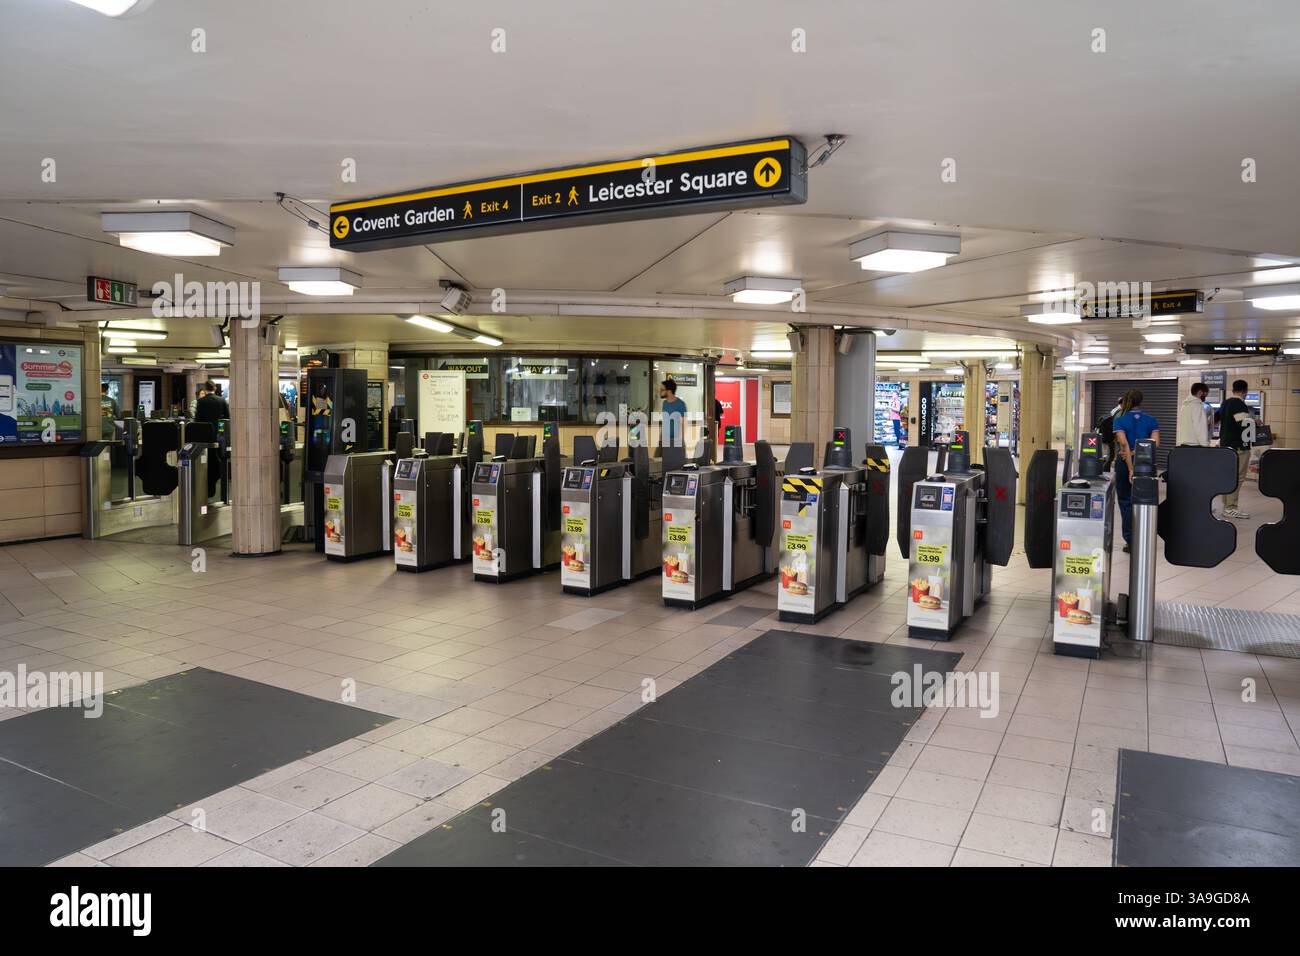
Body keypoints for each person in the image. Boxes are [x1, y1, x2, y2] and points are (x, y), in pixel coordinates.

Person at [1112, 388, 1161, 552]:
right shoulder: (1151, 420)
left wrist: (1131, 468)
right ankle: (1144, 537)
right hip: (1146, 464)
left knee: (1126, 500)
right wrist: (1138, 453)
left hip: (1125, 463)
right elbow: (1155, 444)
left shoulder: (1120, 420)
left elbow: (1123, 444)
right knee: (1144, 501)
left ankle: (1130, 540)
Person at [1217, 379, 1254, 519]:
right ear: (1245, 391)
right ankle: (1231, 507)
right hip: (1238, 447)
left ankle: (1226, 505)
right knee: (1238, 477)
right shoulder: (1239, 404)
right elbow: (1243, 426)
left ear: (1233, 390)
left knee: (1229, 476)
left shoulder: (1225, 403)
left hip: (1226, 446)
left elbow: (1218, 419)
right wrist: (1253, 423)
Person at [1177, 382, 1211, 446]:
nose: (1206, 397)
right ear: (1200, 392)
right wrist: (1205, 444)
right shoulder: (1197, 406)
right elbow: (1200, 427)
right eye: (1206, 394)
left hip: (1183, 444)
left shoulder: (1185, 405)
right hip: (1195, 445)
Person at [659, 379, 687, 450]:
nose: (660, 391)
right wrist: (661, 437)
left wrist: (681, 441)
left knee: (675, 460)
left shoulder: (681, 404)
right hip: (664, 439)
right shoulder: (664, 403)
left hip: (676, 440)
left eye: (662, 390)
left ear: (669, 391)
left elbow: (684, 423)